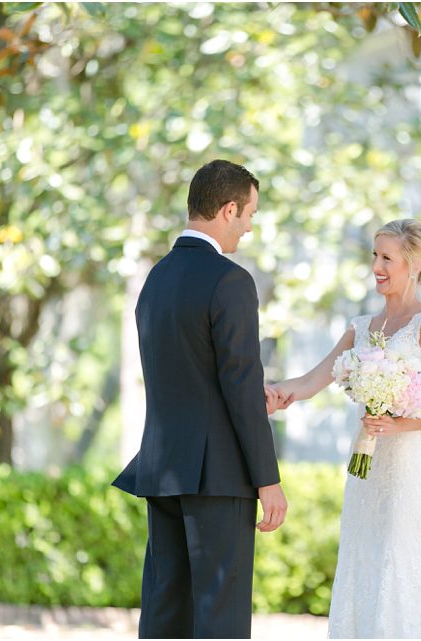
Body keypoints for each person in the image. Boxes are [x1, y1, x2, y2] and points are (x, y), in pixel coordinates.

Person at [270, 219, 421, 638]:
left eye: (386, 257)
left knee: (397, 563)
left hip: (405, 473)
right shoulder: (361, 327)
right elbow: (311, 380)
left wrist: (396, 424)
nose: (376, 265)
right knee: (360, 560)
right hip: (364, 474)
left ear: (412, 265)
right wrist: (274, 392)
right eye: (374, 255)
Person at [112, 159, 289, 639]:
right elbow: (236, 379)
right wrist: (267, 479)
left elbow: (191, 373)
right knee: (220, 618)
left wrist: (254, 394)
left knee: (166, 609)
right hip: (219, 475)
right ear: (229, 209)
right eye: (249, 214)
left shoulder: (156, 278)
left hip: (164, 468)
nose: (249, 227)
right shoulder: (231, 280)